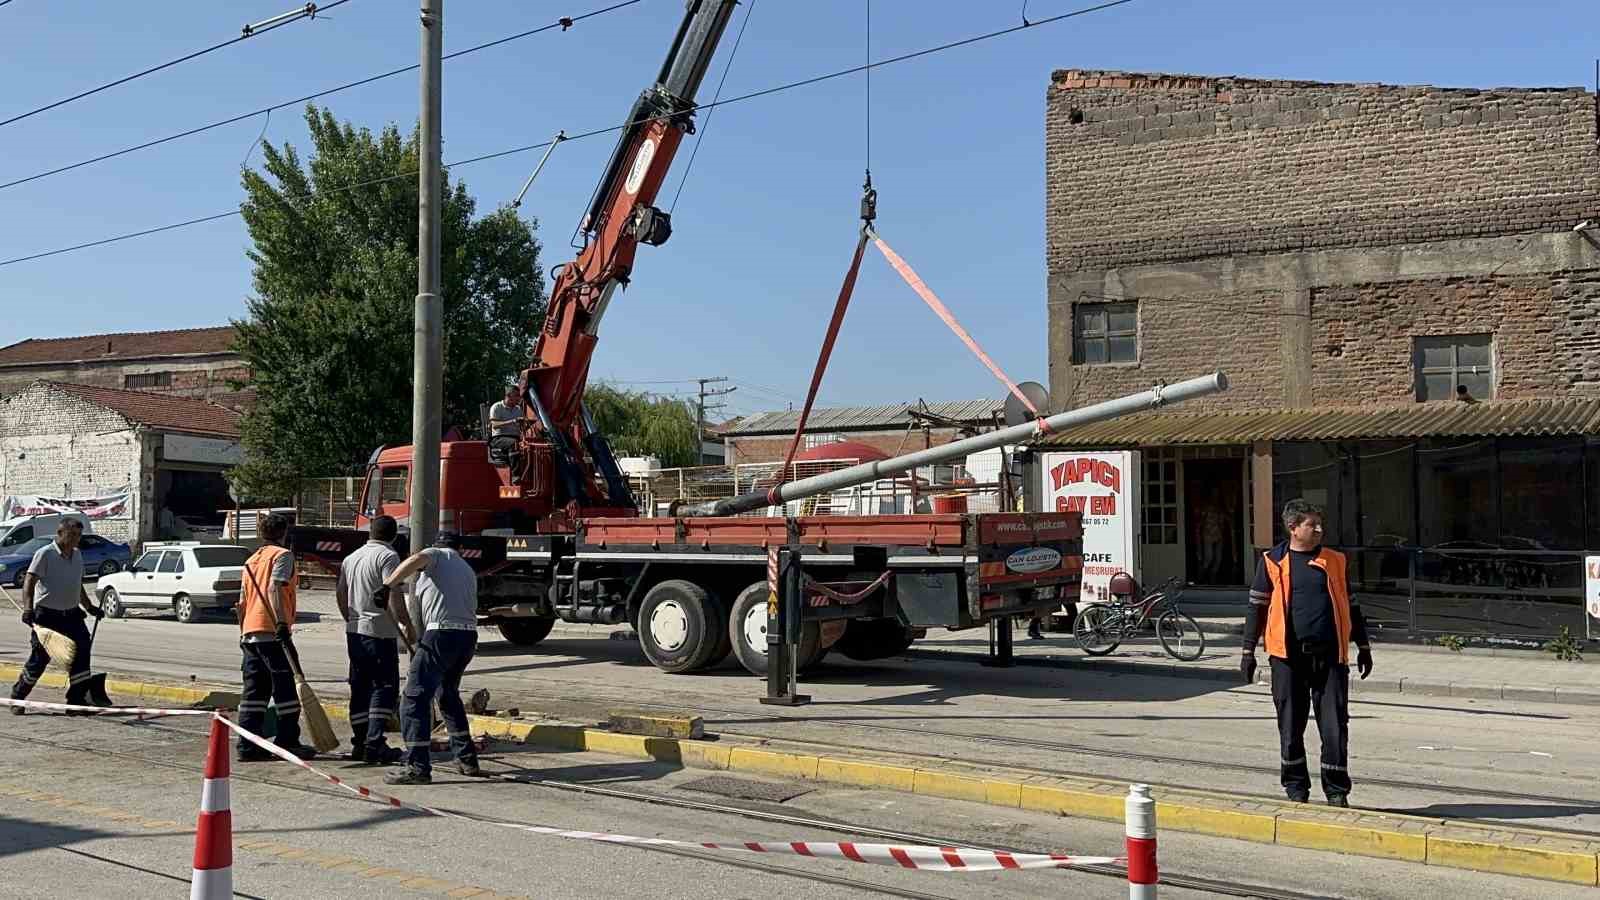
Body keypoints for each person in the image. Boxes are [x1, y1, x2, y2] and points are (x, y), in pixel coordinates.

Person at [1241, 499, 1374, 807]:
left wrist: (1363, 647)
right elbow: (1256, 608)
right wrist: (1248, 652)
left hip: (1330, 658)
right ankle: (1296, 786)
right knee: (1290, 725)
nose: (1319, 530)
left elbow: (1352, 606)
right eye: (1311, 525)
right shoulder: (1272, 562)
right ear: (1293, 528)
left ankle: (1337, 791)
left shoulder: (1335, 561)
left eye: (1319, 524)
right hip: (1288, 658)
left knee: (1334, 727)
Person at [375, 532, 482, 785]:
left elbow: (418, 558)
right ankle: (466, 759)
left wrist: (386, 585)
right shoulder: (466, 569)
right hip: (466, 637)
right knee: (447, 695)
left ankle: (417, 767)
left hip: (442, 634)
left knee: (413, 698)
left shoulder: (436, 555)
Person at [236, 512, 318, 762]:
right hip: (273, 633)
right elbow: (275, 586)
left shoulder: (251, 561)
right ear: (284, 533)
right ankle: (288, 741)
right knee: (285, 690)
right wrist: (282, 623)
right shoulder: (283, 556)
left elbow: (241, 603)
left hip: (250, 633)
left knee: (254, 693)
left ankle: (248, 745)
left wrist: (243, 633)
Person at [9, 518, 110, 713]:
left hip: (72, 616)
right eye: (72, 535)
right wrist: (28, 609)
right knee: (40, 659)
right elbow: (29, 582)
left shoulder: (77, 555)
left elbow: (76, 584)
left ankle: (75, 701)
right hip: (47, 616)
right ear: (60, 533)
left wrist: (89, 607)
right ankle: (18, 697)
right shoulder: (45, 554)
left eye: (78, 536)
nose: (75, 539)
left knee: (82, 653)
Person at [336, 514, 405, 765]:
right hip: (379, 631)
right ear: (394, 536)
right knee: (384, 686)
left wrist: (350, 619)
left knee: (360, 686)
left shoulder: (351, 558)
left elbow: (341, 592)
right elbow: (392, 590)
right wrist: (405, 622)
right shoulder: (388, 556)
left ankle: (360, 741)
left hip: (354, 631)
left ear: (370, 533)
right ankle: (375, 743)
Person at [487, 385, 522, 467]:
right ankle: (515, 474)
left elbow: (521, 426)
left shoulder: (518, 409)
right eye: (516, 395)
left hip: (515, 437)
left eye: (519, 395)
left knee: (529, 445)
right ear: (508, 396)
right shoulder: (497, 407)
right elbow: (494, 425)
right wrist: (512, 421)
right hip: (499, 438)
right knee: (514, 444)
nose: (519, 398)